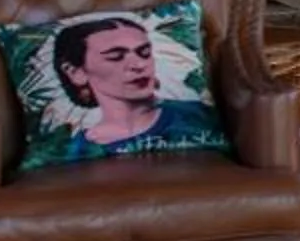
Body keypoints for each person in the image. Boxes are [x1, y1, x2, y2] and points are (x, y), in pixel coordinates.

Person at [53, 14, 223, 159]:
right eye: (116, 56)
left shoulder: (197, 115)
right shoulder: (75, 150)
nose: (138, 64)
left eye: (144, 53)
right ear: (76, 72)